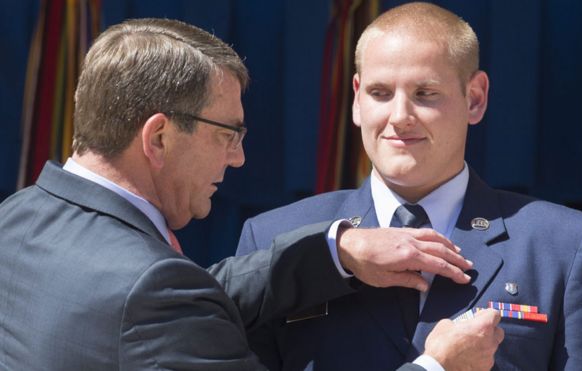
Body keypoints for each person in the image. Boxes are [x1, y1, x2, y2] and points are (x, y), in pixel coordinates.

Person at [0, 17, 503, 371]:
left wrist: (335, 252)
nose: (237, 158)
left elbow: (185, 294)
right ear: (158, 138)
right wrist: (437, 367)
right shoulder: (152, 289)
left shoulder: (19, 218)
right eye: (228, 134)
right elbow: (160, 297)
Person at [236, 2, 582, 370]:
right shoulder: (276, 239)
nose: (399, 116)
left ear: (475, 98)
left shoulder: (563, 246)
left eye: (425, 94)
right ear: (357, 100)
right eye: (380, 93)